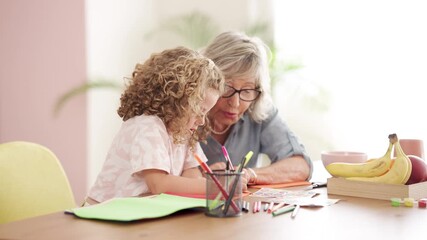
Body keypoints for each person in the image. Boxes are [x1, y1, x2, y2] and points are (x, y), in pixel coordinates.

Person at [86, 46, 242, 204]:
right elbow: (158, 184)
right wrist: (214, 187)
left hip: (140, 214)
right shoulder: (147, 126)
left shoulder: (185, 132)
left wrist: (208, 184)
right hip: (103, 213)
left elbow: (191, 173)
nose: (201, 121)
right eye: (198, 111)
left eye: (205, 113)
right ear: (178, 100)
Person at [200, 31, 313, 185]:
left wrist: (249, 174)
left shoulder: (259, 110)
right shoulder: (183, 113)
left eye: (246, 91)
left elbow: (301, 166)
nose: (235, 103)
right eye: (226, 88)